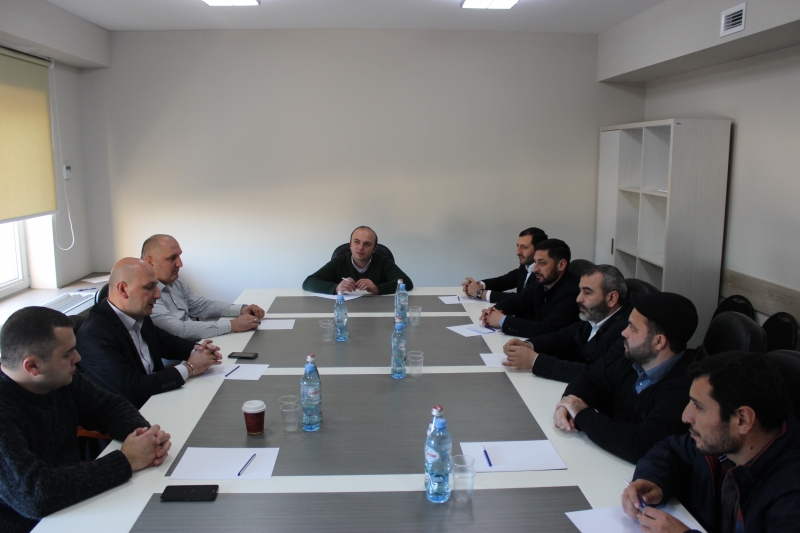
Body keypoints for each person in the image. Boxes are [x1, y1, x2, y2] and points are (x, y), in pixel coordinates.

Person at [0, 307, 172, 533]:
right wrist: (127, 460)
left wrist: (145, 438)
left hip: (77, 504)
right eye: (67, 353)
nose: (78, 358)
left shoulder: (58, 377)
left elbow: (109, 407)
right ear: (32, 366)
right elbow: (34, 495)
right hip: (36, 525)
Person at [623, 352, 800, 533]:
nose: (685, 417)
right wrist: (653, 479)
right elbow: (670, 450)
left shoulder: (791, 492)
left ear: (743, 420)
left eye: (698, 407)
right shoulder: (724, 443)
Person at [553, 292, 698, 463]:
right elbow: (589, 380)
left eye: (633, 328)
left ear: (659, 342)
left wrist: (581, 413)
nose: (624, 332)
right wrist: (568, 405)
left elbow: (638, 444)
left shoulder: (685, 390)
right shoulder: (635, 361)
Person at [76, 258, 222, 408]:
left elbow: (167, 343)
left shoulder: (137, 313)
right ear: (123, 289)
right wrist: (190, 367)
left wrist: (199, 350)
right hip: (134, 412)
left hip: (159, 399)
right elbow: (133, 389)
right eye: (149, 287)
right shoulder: (94, 336)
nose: (158, 295)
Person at [502, 264, 631, 383]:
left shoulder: (627, 332)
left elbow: (595, 373)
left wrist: (535, 361)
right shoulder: (597, 314)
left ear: (612, 298)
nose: (579, 298)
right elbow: (561, 338)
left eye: (587, 292)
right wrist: (529, 345)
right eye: (580, 291)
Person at [142, 234, 265, 342]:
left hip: (197, 346)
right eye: (172, 258)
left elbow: (203, 306)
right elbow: (178, 330)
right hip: (179, 356)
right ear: (150, 262)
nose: (180, 264)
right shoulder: (144, 294)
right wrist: (232, 325)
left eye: (179, 256)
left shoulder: (175, 283)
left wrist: (241, 309)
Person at [480, 239, 580, 338]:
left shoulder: (572, 293)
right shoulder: (542, 282)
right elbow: (518, 300)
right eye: (535, 262)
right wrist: (493, 311)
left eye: (542, 263)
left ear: (561, 265)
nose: (535, 269)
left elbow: (546, 329)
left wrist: (502, 320)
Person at [302, 226, 413, 295]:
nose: (360, 247)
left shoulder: (383, 261)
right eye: (356, 242)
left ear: (374, 249)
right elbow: (308, 282)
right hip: (344, 310)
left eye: (367, 244)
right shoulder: (339, 262)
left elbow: (407, 283)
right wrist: (336, 288)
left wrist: (377, 288)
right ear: (350, 244)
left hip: (377, 310)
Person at [461, 227, 548, 303]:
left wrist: (480, 293)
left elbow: (522, 298)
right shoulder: (525, 266)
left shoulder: (543, 273)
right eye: (518, 246)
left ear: (539, 250)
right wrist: (478, 285)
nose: (518, 252)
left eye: (524, 247)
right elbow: (502, 282)